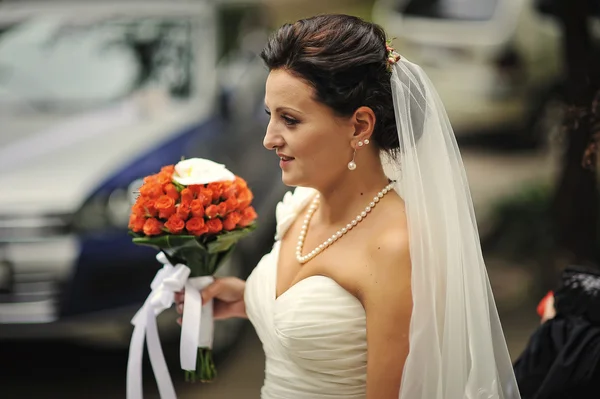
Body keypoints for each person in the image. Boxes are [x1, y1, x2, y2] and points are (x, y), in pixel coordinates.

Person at [175, 14, 521, 399]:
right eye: (270, 116)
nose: (269, 139)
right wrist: (248, 299)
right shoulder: (302, 204)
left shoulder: (396, 249)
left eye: (290, 120)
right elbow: (330, 327)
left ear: (359, 126)